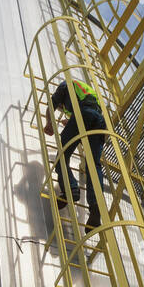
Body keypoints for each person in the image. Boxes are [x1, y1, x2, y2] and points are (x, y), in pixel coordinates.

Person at [43, 78, 107, 232]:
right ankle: (96, 207)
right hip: (99, 121)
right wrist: (71, 120)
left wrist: (49, 122)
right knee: (93, 164)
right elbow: (86, 108)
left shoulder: (65, 85)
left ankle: (70, 188)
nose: (60, 108)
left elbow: (51, 105)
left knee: (62, 155)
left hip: (83, 114)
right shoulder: (84, 91)